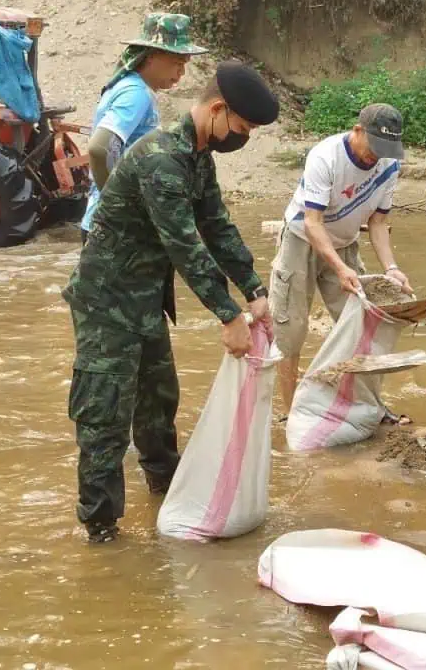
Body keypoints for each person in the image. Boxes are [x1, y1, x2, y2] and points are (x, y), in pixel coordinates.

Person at [61, 61, 280, 544]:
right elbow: (185, 245)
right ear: (218, 110)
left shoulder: (198, 157)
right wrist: (228, 314)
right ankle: (102, 530)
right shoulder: (160, 159)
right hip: (106, 301)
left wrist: (255, 290)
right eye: (241, 127)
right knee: (106, 414)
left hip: (143, 300)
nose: (240, 137)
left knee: (158, 400)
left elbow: (216, 227)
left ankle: (167, 491)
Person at [270, 103, 413, 410]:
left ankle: (357, 404)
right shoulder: (326, 157)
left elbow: (378, 223)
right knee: (290, 331)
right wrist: (339, 268)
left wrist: (392, 267)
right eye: (374, 146)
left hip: (346, 243)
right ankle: (290, 411)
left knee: (361, 325)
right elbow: (313, 223)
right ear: (357, 130)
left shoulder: (388, 166)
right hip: (301, 241)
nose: (376, 155)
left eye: (386, 148)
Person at [79, 13, 209, 245]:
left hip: (104, 225)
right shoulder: (135, 94)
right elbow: (100, 148)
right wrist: (120, 208)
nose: (182, 73)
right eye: (177, 64)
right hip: (115, 230)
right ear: (150, 58)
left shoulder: (127, 86)